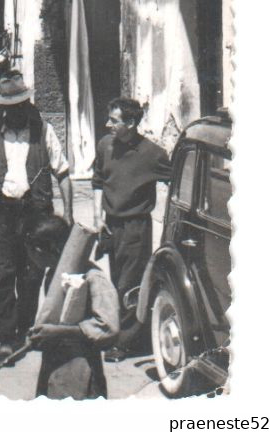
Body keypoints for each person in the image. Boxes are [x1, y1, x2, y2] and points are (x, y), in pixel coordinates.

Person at [0, 71, 74, 360]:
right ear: (2, 108)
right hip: (3, 211)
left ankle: (23, 331)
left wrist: (67, 213)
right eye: (8, 107)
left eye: (19, 105)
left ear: (27, 105)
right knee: (3, 273)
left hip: (36, 214)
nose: (14, 112)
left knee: (31, 275)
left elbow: (63, 173)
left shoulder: (43, 132)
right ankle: (6, 336)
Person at [92, 97, 170, 358]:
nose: (107, 125)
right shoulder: (105, 146)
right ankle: (121, 333)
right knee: (115, 282)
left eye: (114, 121)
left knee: (130, 284)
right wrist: (98, 216)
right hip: (110, 225)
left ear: (131, 122)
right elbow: (97, 181)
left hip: (136, 226)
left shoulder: (153, 154)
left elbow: (177, 181)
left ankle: (125, 342)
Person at [24, 214, 122, 398]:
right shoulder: (52, 276)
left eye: (30, 251)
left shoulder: (93, 277)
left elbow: (109, 328)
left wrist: (60, 332)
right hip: (55, 367)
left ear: (42, 250)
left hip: (82, 369)